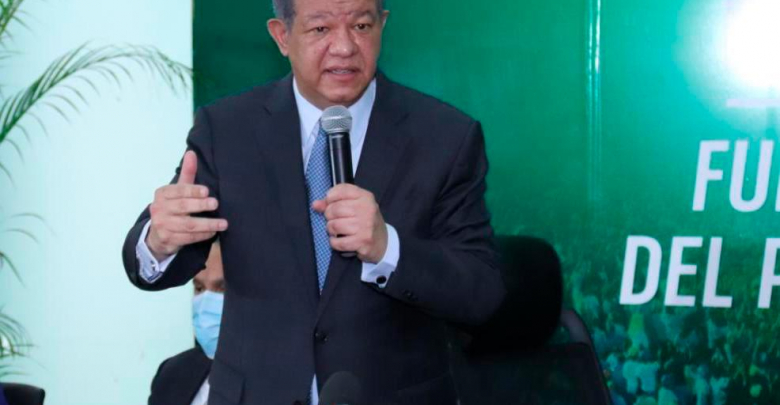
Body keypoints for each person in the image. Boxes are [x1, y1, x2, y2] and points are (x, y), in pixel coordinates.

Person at [122, 0, 506, 403]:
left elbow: (481, 291)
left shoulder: (444, 137)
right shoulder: (227, 130)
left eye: (361, 26)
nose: (344, 47)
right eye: (321, 29)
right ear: (282, 36)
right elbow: (152, 259)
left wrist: (387, 249)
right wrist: (158, 241)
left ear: (382, 25)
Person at [148, 242, 225, 405]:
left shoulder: (277, 384)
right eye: (199, 288)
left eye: (222, 288)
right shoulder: (172, 374)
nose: (206, 302)